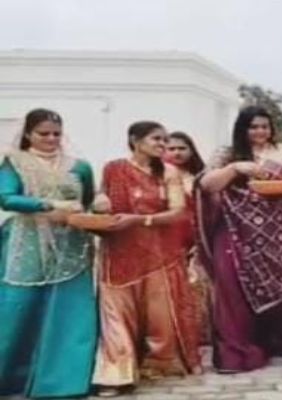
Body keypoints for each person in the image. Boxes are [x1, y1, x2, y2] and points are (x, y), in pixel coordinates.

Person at [197, 106, 282, 373]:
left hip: (280, 231)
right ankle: (237, 351)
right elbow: (207, 185)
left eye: (264, 126)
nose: (260, 131)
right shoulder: (227, 154)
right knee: (232, 284)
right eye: (253, 126)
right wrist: (235, 168)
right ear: (242, 129)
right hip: (236, 229)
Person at [93, 121, 201, 397]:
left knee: (159, 318)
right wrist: (99, 204)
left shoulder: (168, 172)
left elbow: (177, 212)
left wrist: (140, 220)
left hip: (157, 254)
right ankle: (115, 374)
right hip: (118, 250)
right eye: (156, 139)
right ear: (135, 140)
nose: (163, 145)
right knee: (116, 316)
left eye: (165, 140)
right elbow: (101, 198)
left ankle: (158, 364)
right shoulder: (113, 168)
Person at [0, 109, 97, 398]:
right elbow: (6, 198)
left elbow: (87, 201)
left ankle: (64, 382)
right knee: (18, 307)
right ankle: (11, 377)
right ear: (28, 134)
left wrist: (97, 207)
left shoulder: (79, 166)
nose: (51, 138)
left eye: (56, 133)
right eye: (43, 133)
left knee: (71, 309)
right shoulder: (15, 162)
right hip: (27, 242)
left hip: (71, 244)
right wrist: (47, 205)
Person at [165, 131, 211, 345]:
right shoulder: (157, 177)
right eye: (171, 148)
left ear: (192, 151)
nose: (177, 153)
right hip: (167, 238)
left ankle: (198, 333)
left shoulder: (201, 177)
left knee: (196, 284)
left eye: (182, 148)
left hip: (197, 237)